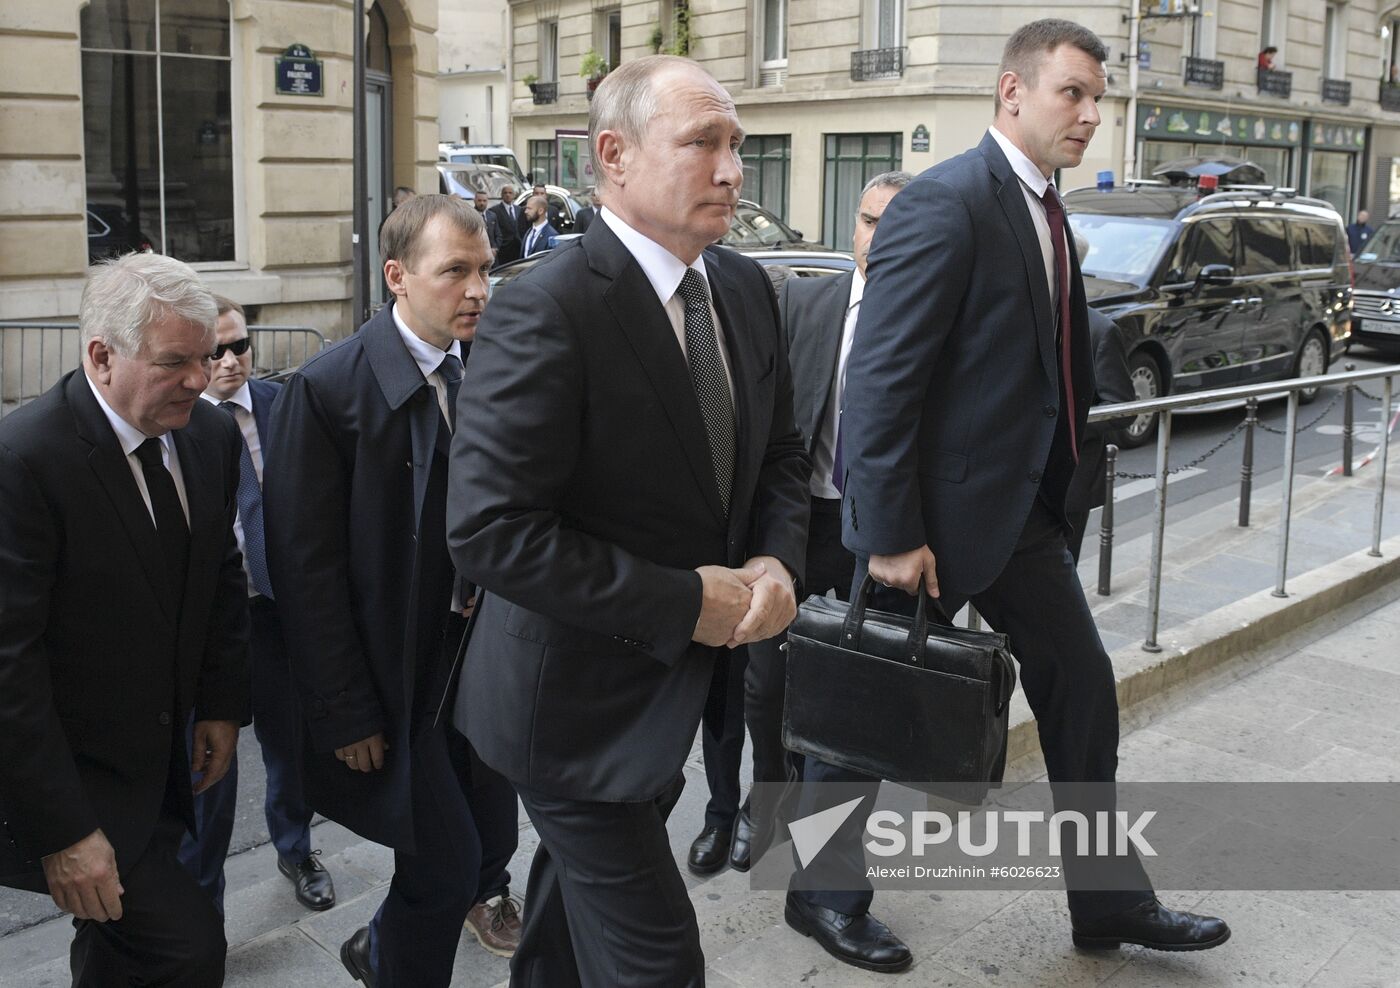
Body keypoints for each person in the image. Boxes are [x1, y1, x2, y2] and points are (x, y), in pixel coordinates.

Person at [791, 18, 1231, 972]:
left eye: (1097, 98)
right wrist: (889, 534)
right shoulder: (945, 202)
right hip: (927, 530)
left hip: (1019, 520)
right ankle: (818, 896)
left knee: (1082, 692)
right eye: (1072, 92)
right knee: (866, 707)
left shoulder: (1048, 206)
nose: (1089, 113)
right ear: (1011, 92)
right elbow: (877, 382)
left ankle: (1107, 906)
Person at [447, 54, 810, 987]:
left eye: (737, 145)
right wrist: (680, 600)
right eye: (703, 144)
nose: (733, 169)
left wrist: (776, 559)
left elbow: (779, 456)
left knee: (566, 931)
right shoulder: (544, 310)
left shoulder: (743, 291)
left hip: (670, 702)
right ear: (613, 154)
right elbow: (492, 531)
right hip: (567, 717)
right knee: (657, 962)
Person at [264, 194, 519, 987]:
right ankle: (391, 961)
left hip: (473, 670)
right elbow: (303, 569)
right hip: (391, 680)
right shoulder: (326, 390)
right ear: (397, 277)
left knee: (488, 847)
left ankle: (381, 946)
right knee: (446, 866)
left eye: (485, 271)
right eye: (457, 272)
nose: (478, 289)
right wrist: (345, 710)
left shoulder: (491, 365)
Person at [0, 252, 250, 986]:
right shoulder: (26, 459)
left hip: (169, 762)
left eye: (207, 358)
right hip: (75, 781)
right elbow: (8, 662)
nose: (202, 380)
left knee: (121, 952)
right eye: (176, 362)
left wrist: (223, 706)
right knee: (188, 948)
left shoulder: (209, 438)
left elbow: (221, 576)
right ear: (101, 356)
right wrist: (65, 832)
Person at [736, 170, 912, 877]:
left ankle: (822, 855)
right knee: (767, 681)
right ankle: (764, 805)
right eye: (870, 222)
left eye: (897, 226)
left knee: (847, 701)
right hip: (797, 521)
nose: (880, 238)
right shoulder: (807, 300)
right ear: (853, 227)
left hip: (879, 539)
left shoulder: (933, 320)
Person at [176, 297, 336, 916]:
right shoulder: (180, 424)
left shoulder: (281, 406)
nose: (230, 361)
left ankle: (296, 848)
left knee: (289, 740)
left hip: (277, 608)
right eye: (214, 351)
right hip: (214, 620)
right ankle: (202, 899)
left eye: (239, 346)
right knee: (209, 760)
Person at [1064, 237, 1136, 563]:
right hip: (1015, 482)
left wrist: (1065, 423)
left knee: (1056, 585)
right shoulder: (1019, 316)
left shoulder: (1100, 331)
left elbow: (1121, 408)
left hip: (1068, 484)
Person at [488, 186, 523, 264]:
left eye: (510, 193)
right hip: (503, 249)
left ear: (514, 195)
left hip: (517, 249)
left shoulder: (519, 209)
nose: (508, 195)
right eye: (505, 193)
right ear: (501, 195)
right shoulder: (494, 210)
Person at [473, 190, 501, 256]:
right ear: (474, 201)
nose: (482, 203)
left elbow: (498, 235)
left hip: (493, 254)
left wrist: (495, 248)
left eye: (484, 201)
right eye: (479, 200)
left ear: (487, 201)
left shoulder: (492, 215)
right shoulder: (470, 215)